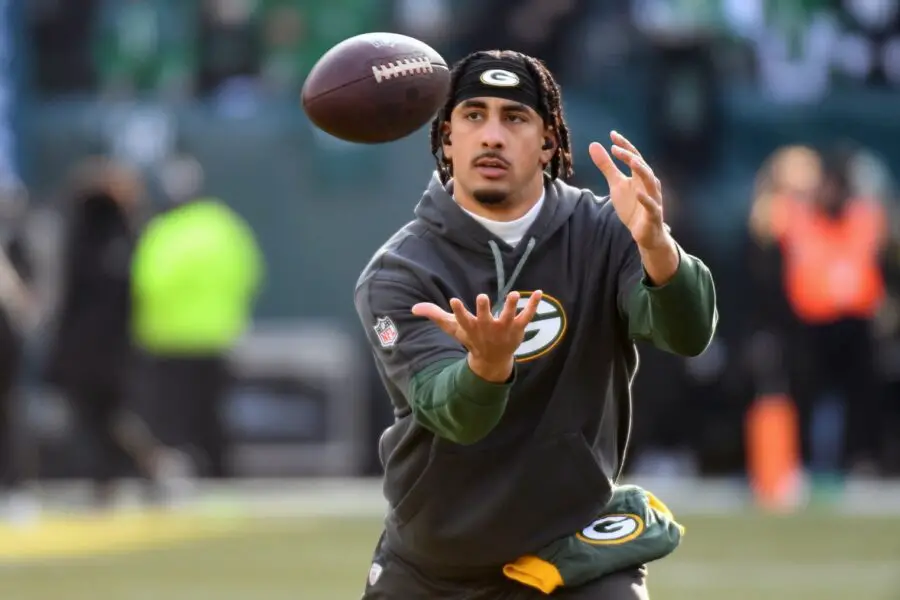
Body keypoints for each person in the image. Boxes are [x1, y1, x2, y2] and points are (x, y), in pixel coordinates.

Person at [353, 50, 718, 599]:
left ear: (548, 142)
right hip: (436, 567)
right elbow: (452, 415)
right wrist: (486, 367)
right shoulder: (399, 272)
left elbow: (686, 335)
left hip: (570, 547)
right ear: (446, 138)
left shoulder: (606, 230)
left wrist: (657, 249)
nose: (492, 135)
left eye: (515, 118)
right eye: (473, 115)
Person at [43, 158, 143, 507]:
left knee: (106, 418)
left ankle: (133, 473)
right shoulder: (93, 232)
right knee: (98, 418)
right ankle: (116, 478)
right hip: (94, 347)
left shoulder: (114, 235)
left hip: (104, 347)